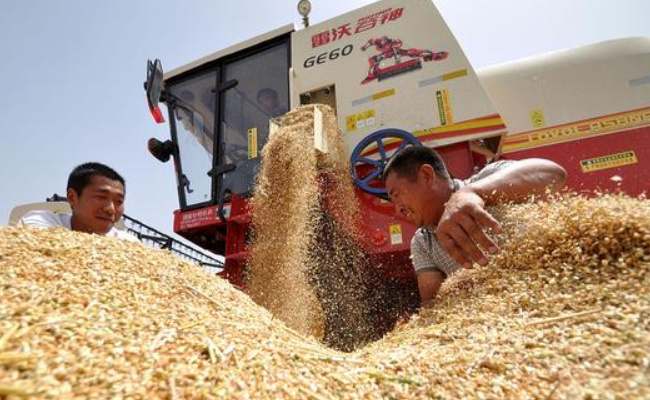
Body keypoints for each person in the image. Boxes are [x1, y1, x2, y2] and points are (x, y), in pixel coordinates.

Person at [383, 146, 566, 307]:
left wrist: (473, 193)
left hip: (552, 292)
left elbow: (554, 174)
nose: (398, 208)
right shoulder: (422, 242)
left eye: (396, 194)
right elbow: (432, 303)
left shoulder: (489, 178)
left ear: (426, 176)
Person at [19, 162, 138, 242]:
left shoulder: (128, 242)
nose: (111, 209)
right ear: (72, 197)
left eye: (119, 201)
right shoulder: (42, 222)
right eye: (101, 197)